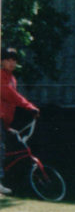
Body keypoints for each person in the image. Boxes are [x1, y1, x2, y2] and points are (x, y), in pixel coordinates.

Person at [1, 47, 41, 196]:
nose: (11, 63)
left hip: (4, 120)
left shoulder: (12, 79)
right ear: (1, 61)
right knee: (1, 148)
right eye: (8, 60)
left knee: (15, 139)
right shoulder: (1, 76)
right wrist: (30, 107)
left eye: (14, 60)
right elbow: (12, 96)